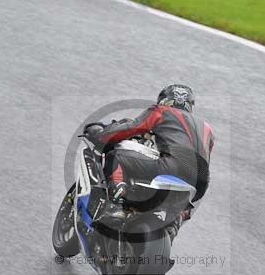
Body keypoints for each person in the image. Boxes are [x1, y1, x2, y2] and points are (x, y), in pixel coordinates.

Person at [85, 84, 215, 239]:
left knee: (116, 155)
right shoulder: (207, 128)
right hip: (200, 181)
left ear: (165, 100)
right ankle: (175, 222)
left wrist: (101, 135)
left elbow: (131, 128)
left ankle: (116, 204)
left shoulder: (162, 111)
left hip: (172, 166)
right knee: (182, 196)